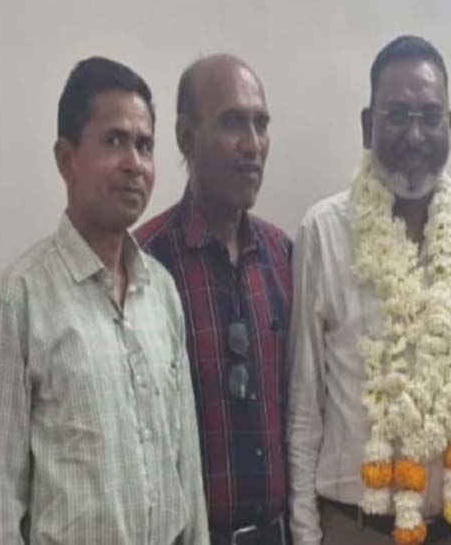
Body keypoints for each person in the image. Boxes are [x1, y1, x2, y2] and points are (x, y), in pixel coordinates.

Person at [288, 35, 451, 545]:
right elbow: (304, 405)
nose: (416, 133)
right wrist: (306, 534)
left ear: (450, 125)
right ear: (368, 125)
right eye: (398, 115)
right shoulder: (324, 233)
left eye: (431, 116)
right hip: (357, 527)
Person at [0, 56, 208, 545]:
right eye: (114, 141)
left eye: (144, 145)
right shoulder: (17, 300)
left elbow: (187, 470)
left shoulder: (161, 292)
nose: (134, 164)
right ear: (66, 159)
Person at [137, 54, 292, 545]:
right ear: (186, 137)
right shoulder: (144, 263)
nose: (252, 145)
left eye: (261, 124)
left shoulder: (283, 256)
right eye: (232, 123)